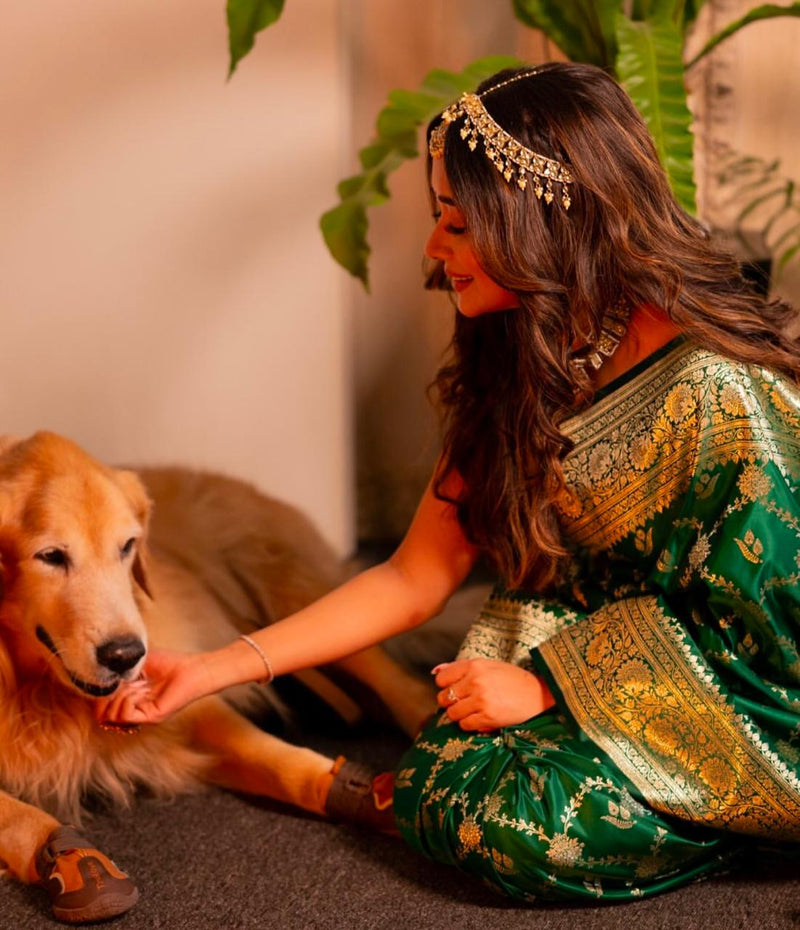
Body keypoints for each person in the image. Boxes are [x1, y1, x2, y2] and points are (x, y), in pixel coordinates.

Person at [101, 62, 800, 902]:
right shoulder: (523, 350)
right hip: (602, 653)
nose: (436, 250)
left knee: (510, 823)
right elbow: (412, 576)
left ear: (542, 224)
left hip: (748, 698)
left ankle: (734, 815)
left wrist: (549, 685)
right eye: (439, 217)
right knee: (440, 787)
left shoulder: (720, 388)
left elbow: (768, 633)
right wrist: (213, 669)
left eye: (457, 223)